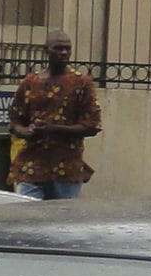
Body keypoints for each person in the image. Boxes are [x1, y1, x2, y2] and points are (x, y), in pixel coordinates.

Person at [6, 29, 99, 201]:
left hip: (66, 168)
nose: (63, 53)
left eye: (67, 48)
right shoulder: (30, 82)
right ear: (46, 50)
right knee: (27, 212)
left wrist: (53, 129)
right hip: (31, 166)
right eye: (58, 48)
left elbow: (92, 126)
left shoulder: (81, 83)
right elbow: (15, 122)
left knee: (62, 216)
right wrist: (26, 131)